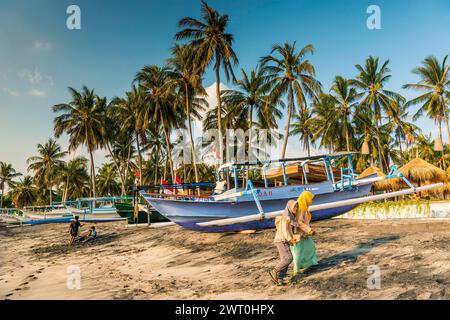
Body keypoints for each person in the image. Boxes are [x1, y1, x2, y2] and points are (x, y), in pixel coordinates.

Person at [268, 200, 300, 285]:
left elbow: (289, 230)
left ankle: (279, 278)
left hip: (283, 240)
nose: (296, 208)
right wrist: (290, 239)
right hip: (281, 240)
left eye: (297, 206)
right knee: (289, 258)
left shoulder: (291, 217)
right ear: (290, 207)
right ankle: (274, 271)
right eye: (294, 207)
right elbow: (285, 230)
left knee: (285, 259)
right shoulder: (286, 217)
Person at [290, 191, 318, 278]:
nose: (311, 201)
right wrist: (309, 230)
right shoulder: (301, 209)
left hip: (304, 234)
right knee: (298, 252)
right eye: (309, 199)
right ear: (305, 199)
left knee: (310, 247)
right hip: (299, 235)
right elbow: (299, 222)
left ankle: (310, 263)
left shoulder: (304, 207)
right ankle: (296, 270)